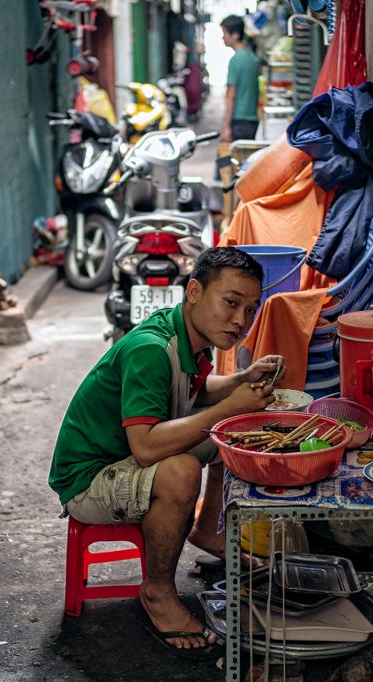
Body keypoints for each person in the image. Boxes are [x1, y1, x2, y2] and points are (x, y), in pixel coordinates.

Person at [48, 247, 285, 660]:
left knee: (229, 434)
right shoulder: (151, 349)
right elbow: (146, 448)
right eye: (230, 303)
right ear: (194, 291)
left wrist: (241, 381)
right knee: (180, 470)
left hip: (126, 461)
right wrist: (228, 407)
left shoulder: (192, 339)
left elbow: (193, 392)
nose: (240, 320)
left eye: (250, 309)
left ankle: (207, 529)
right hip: (89, 478)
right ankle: (157, 593)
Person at [220, 14, 260, 143]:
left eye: (225, 33)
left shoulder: (235, 60)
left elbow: (231, 95)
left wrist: (226, 126)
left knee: (231, 160)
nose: (223, 37)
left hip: (239, 121)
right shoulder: (252, 57)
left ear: (235, 35)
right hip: (252, 120)